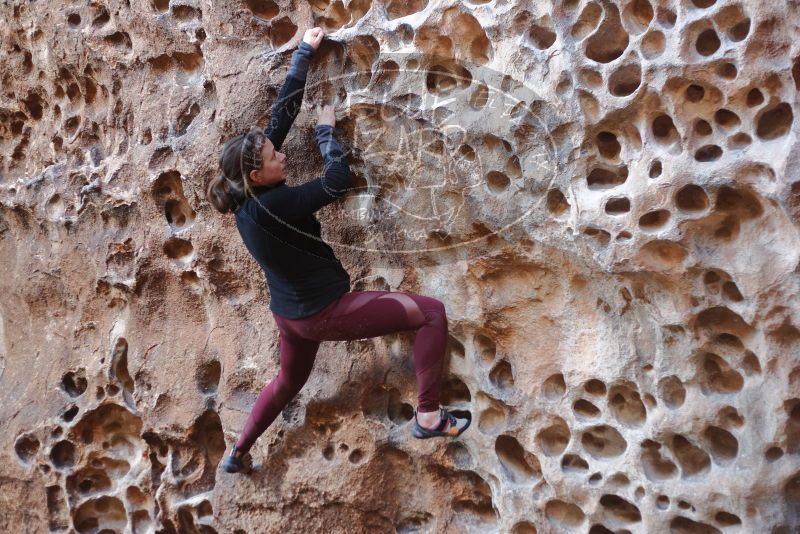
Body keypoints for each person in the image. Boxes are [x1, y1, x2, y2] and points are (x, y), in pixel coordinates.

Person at [205, 27, 470, 475]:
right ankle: (428, 415)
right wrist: (327, 136)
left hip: (288, 316)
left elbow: (281, 119)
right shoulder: (279, 205)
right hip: (323, 314)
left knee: (289, 381)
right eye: (275, 158)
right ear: (257, 174)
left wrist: (305, 52)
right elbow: (335, 182)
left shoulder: (244, 200)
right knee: (431, 313)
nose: (282, 156)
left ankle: (238, 451)